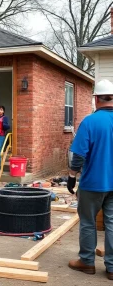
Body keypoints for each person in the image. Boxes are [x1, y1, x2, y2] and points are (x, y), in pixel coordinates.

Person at [67, 79, 113, 280]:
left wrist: (71, 177)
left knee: (88, 222)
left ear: (96, 99)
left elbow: (78, 156)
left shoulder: (90, 122)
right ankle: (112, 268)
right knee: (112, 223)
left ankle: (86, 262)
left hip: (93, 183)